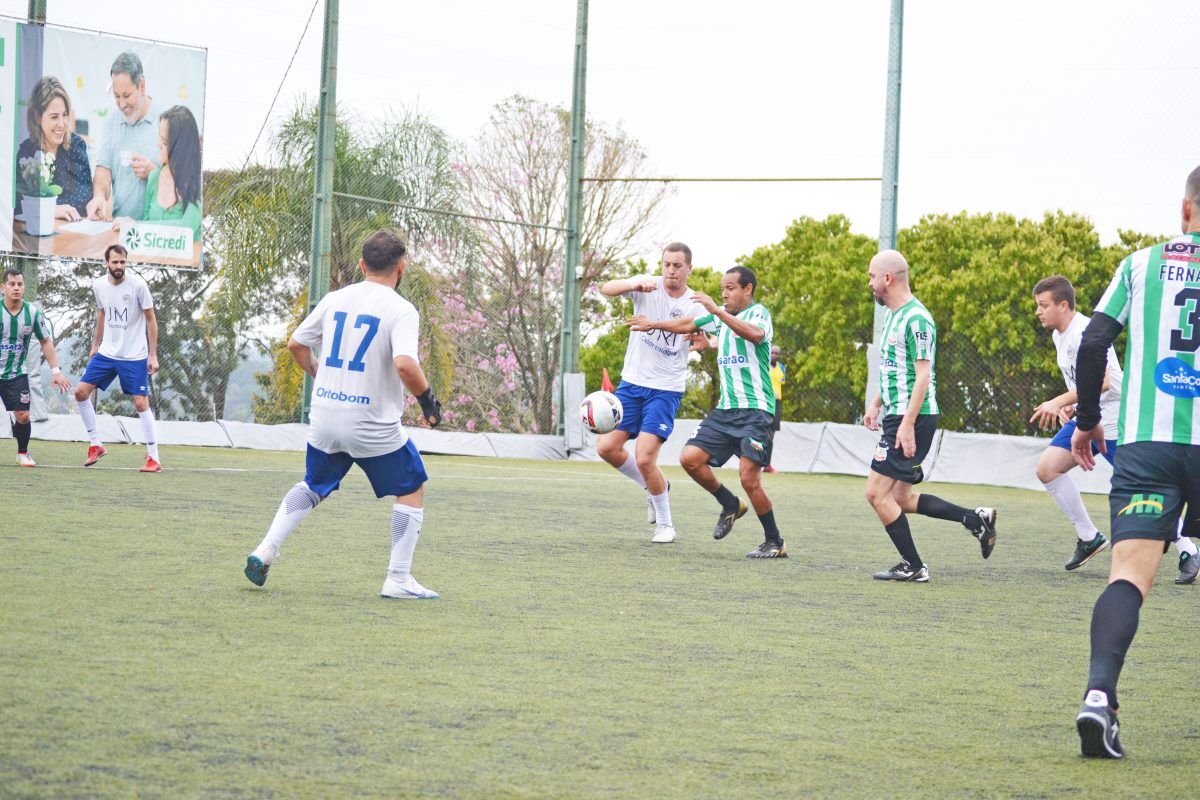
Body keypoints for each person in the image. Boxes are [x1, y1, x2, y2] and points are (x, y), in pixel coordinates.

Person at [1070, 165, 1200, 758]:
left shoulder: (1140, 264)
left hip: (1148, 447)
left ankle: (1100, 696)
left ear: (1186, 208)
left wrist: (1090, 421)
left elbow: (1094, 341)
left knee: (1128, 576)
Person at [244, 230, 445, 600]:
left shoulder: (335, 298)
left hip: (325, 415)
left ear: (361, 265)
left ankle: (266, 549)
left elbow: (295, 344)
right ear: (401, 267)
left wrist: (320, 375)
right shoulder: (400, 309)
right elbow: (404, 364)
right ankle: (398, 578)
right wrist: (428, 401)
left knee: (312, 484)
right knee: (412, 485)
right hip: (369, 423)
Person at [1031, 275, 1200, 580]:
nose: (1038, 312)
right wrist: (1071, 402)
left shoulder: (1086, 331)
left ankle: (1188, 549)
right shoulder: (1060, 336)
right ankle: (1088, 537)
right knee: (1047, 469)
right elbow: (1082, 382)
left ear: (1064, 305)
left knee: (1143, 492)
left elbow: (1104, 381)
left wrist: (1058, 401)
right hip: (1088, 419)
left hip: (1118, 422)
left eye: (1043, 306)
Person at [629, 266, 786, 558]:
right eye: (722, 288)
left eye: (730, 287)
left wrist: (717, 311)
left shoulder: (757, 313)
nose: (724, 293)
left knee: (749, 478)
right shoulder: (718, 318)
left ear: (747, 289)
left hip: (756, 411)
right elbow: (688, 323)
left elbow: (754, 335)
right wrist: (654, 324)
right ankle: (729, 504)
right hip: (726, 410)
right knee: (690, 459)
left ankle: (775, 541)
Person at [863, 250, 997, 583]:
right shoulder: (894, 316)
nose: (870, 284)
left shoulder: (916, 318)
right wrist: (876, 402)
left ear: (888, 278)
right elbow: (899, 369)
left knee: (876, 494)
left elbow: (923, 376)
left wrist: (906, 425)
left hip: (912, 418)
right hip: (900, 414)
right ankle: (974, 519)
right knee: (901, 498)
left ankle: (915, 566)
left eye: (871, 277)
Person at [596, 243, 707, 543]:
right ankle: (654, 486)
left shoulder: (695, 303)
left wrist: (703, 340)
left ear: (688, 269)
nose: (670, 270)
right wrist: (632, 283)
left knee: (645, 458)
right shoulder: (646, 285)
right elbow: (607, 288)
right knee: (606, 448)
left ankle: (666, 525)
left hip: (665, 390)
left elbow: (699, 328)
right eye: (666, 264)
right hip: (631, 384)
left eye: (677, 266)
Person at [73, 244, 161, 472]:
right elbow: (102, 314)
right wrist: (95, 344)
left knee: (141, 403)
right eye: (115, 262)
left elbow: (151, 320)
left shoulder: (139, 286)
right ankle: (95, 445)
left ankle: (154, 457)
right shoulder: (99, 285)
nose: (119, 266)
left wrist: (152, 355)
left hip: (134, 354)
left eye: (123, 262)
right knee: (80, 392)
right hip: (107, 353)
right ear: (106, 263)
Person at [0, 268, 72, 466]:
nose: (16, 288)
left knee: (23, 416)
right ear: (3, 288)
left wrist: (56, 371)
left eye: (20, 284)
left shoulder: (32, 313)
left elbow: (46, 342)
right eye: (12, 284)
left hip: (16, 373)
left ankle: (22, 453)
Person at [86, 52, 160, 222]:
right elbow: (103, 169)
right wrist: (99, 196)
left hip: (151, 233)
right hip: (116, 227)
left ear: (142, 86)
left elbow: (178, 184)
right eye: (116, 96)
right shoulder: (112, 118)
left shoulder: (163, 121)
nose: (121, 104)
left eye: (126, 96)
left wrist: (152, 173)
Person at [114, 105, 202, 239]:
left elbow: (187, 228)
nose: (158, 144)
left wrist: (137, 226)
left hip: (186, 259)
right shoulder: (154, 176)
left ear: (182, 147)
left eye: (165, 142)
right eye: (159, 137)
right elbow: (148, 228)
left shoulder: (197, 182)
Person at [16, 76, 92, 219]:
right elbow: (18, 203)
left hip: (71, 235)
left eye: (64, 115)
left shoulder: (77, 145)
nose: (62, 124)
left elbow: (85, 198)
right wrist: (51, 210)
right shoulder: (26, 152)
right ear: (38, 117)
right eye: (54, 117)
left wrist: (43, 207)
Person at [764, 344, 785, 473]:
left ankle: (767, 465)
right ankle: (754, 462)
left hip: (776, 403)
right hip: (764, 402)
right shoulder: (763, 365)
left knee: (771, 434)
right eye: (772, 352)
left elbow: (781, 382)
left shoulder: (782, 367)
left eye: (777, 353)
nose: (774, 355)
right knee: (760, 431)